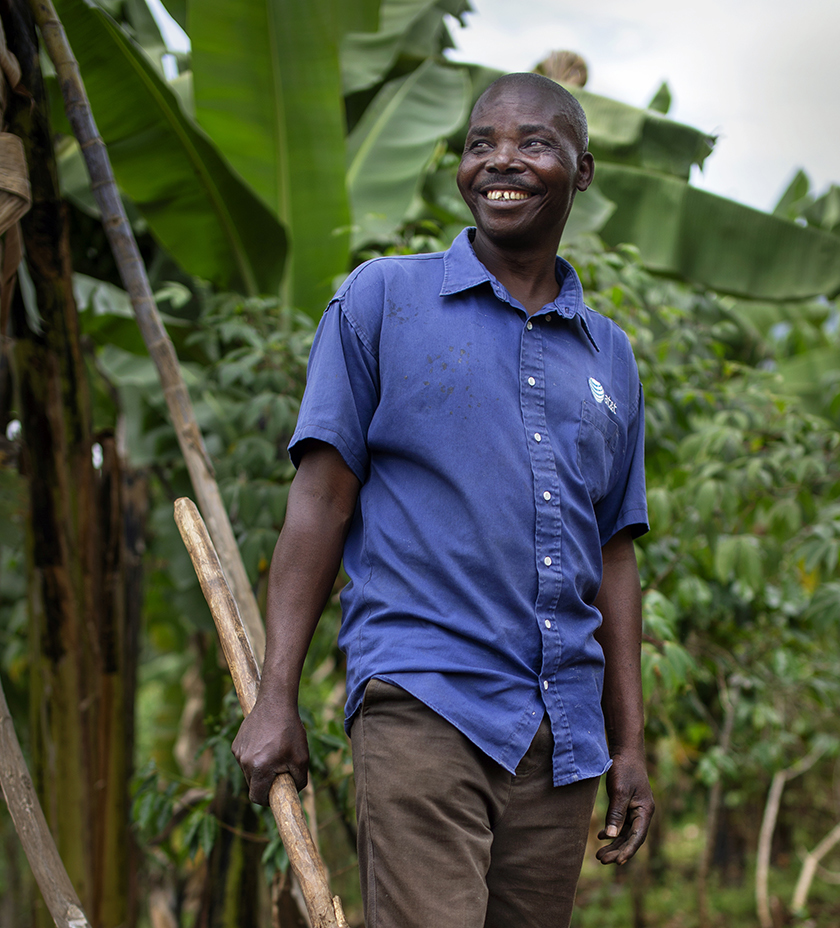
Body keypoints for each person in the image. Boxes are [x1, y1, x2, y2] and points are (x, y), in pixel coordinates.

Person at [231, 72, 654, 927]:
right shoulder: (383, 299)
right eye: (479, 144)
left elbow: (612, 551)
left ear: (582, 171)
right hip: (425, 700)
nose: (501, 162)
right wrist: (275, 695)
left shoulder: (609, 355)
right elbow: (320, 502)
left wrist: (629, 742)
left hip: (561, 736)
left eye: (533, 143)